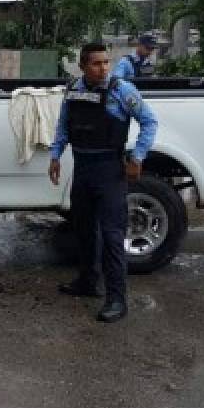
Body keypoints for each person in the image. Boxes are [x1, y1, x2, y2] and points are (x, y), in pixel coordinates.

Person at [49, 43, 158, 323]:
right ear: (84, 66)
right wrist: (55, 155)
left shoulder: (121, 90)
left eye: (106, 62)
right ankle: (87, 282)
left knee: (111, 236)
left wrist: (137, 157)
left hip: (109, 171)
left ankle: (116, 299)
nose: (104, 68)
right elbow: (64, 125)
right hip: (83, 168)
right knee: (84, 230)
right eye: (97, 64)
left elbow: (149, 121)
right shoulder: (74, 88)